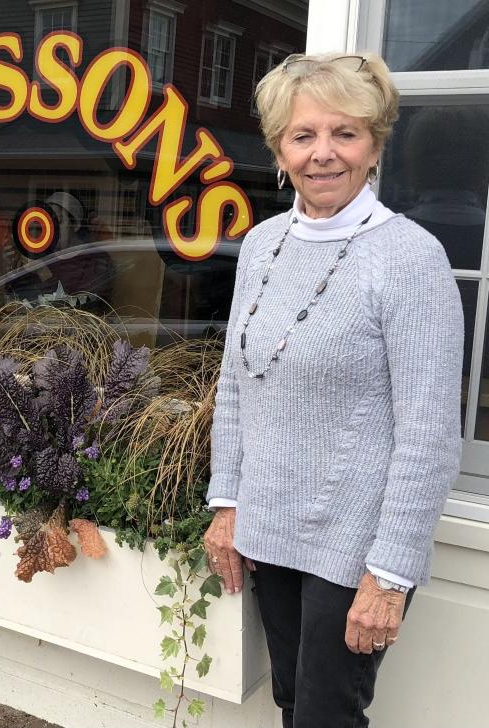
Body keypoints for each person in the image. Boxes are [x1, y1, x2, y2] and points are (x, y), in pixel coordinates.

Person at [203, 53, 463, 728]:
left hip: (354, 546)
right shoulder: (261, 246)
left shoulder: (410, 258)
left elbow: (429, 435)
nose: (323, 154)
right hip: (270, 528)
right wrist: (228, 503)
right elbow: (236, 384)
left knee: (326, 716)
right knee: (291, 701)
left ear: (375, 144)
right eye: (303, 135)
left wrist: (391, 572)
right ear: (280, 150)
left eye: (344, 133)